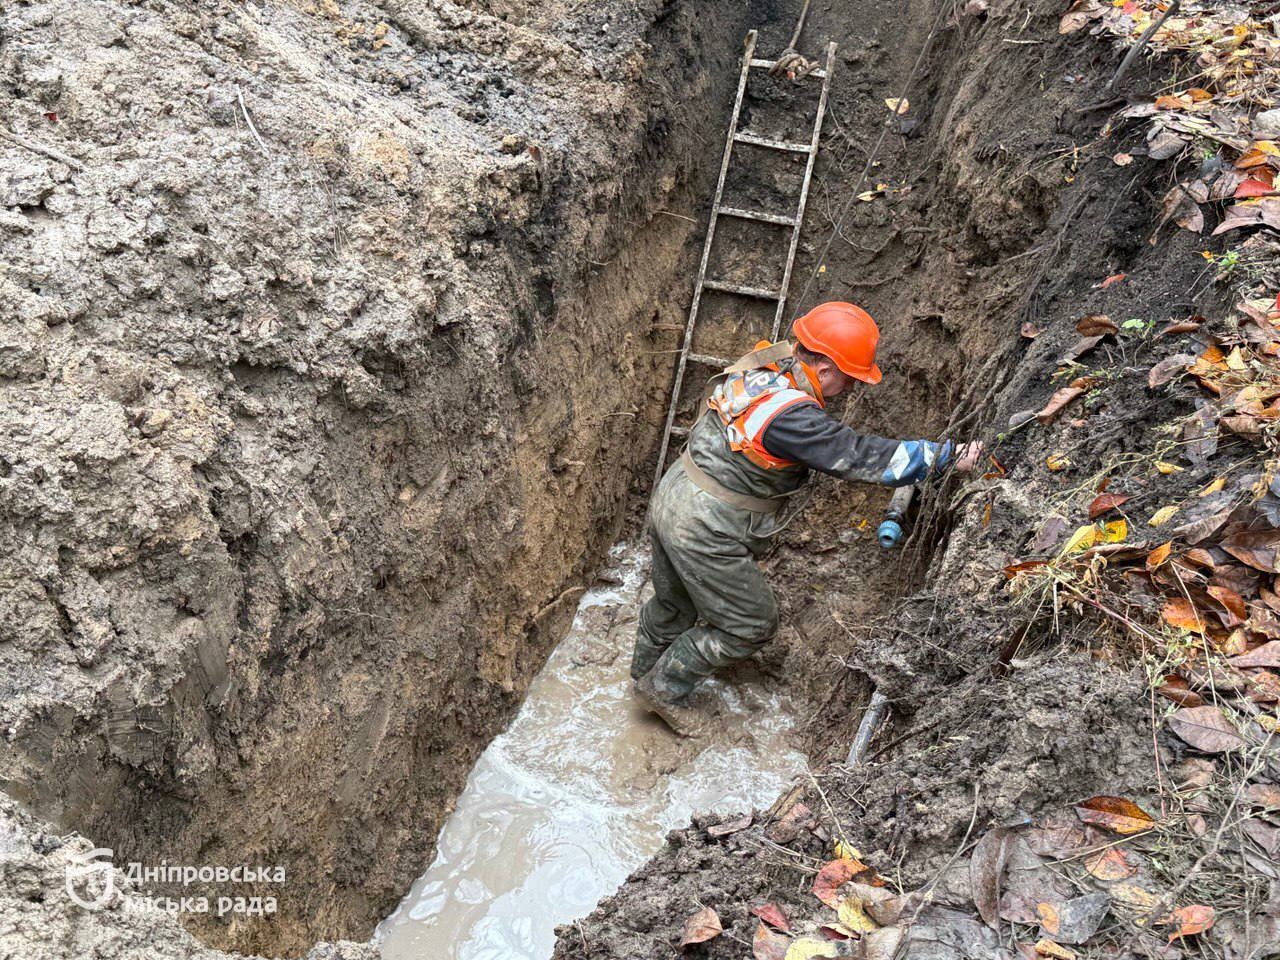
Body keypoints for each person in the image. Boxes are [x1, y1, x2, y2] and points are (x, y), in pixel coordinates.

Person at [632, 301, 983, 735]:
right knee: (749, 624)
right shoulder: (791, 418)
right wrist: (946, 456)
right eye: (851, 380)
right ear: (826, 368)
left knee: (672, 604)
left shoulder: (765, 364)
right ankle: (664, 689)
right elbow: (857, 455)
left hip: (674, 495)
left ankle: (641, 675)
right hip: (705, 526)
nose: (851, 390)